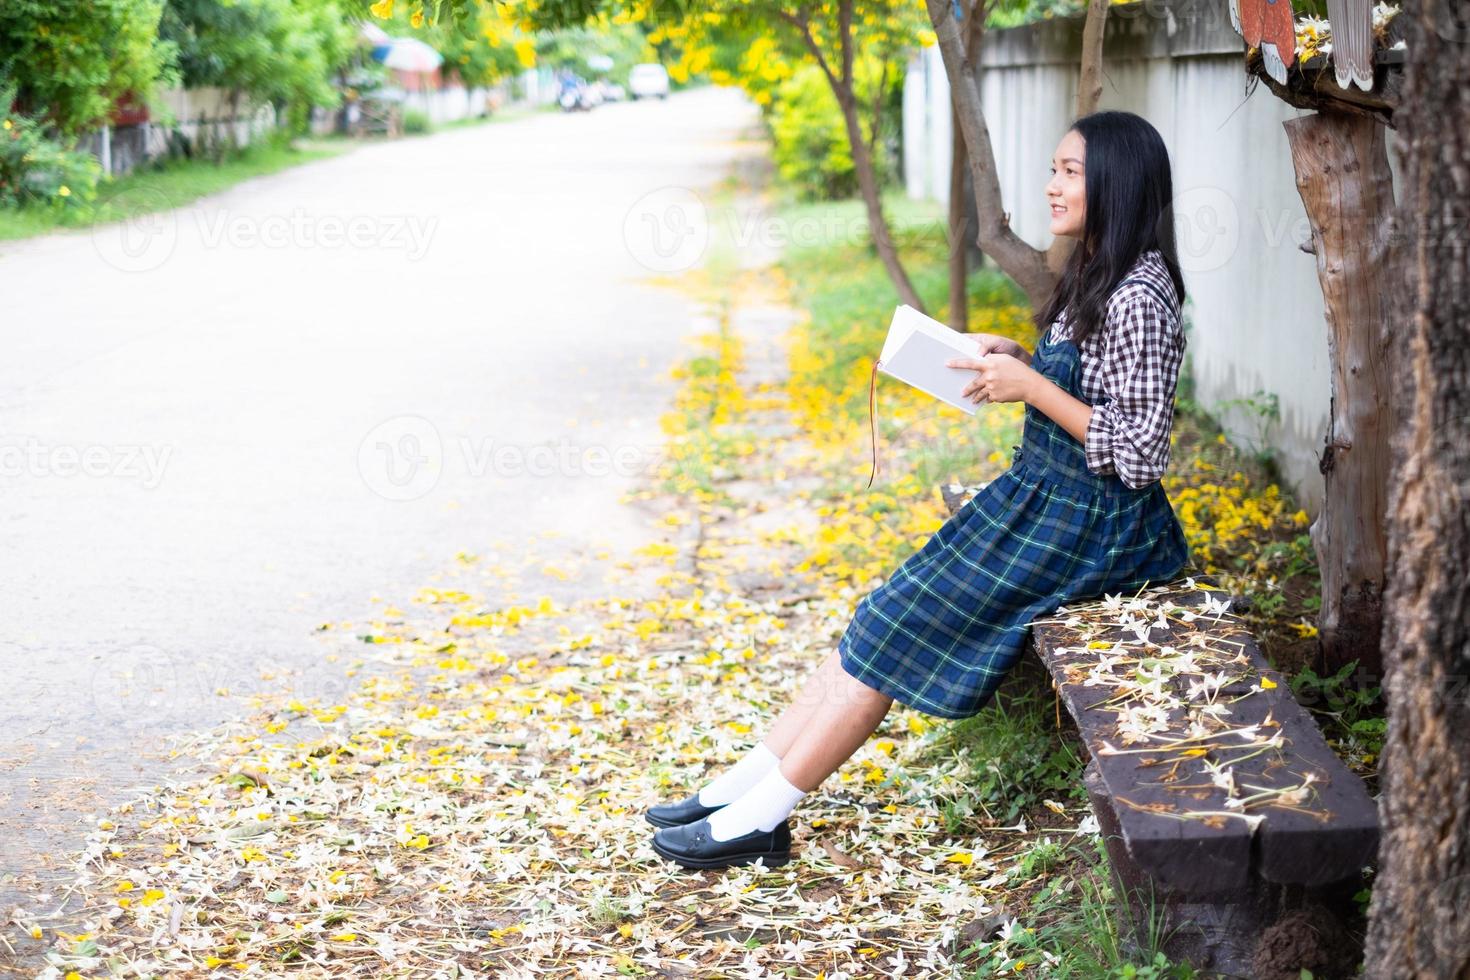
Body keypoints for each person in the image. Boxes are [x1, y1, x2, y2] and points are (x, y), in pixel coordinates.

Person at [647, 110, 1193, 871]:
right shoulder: (1100, 271)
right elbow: (1091, 383)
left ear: (1119, 183)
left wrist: (1032, 384)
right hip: (1043, 502)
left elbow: (1138, 456)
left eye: (1070, 171)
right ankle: (739, 793)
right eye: (1056, 168)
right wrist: (1017, 354)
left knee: (896, 626)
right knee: (882, 615)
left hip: (1095, 527)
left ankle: (760, 820)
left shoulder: (1143, 296)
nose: (1051, 185)